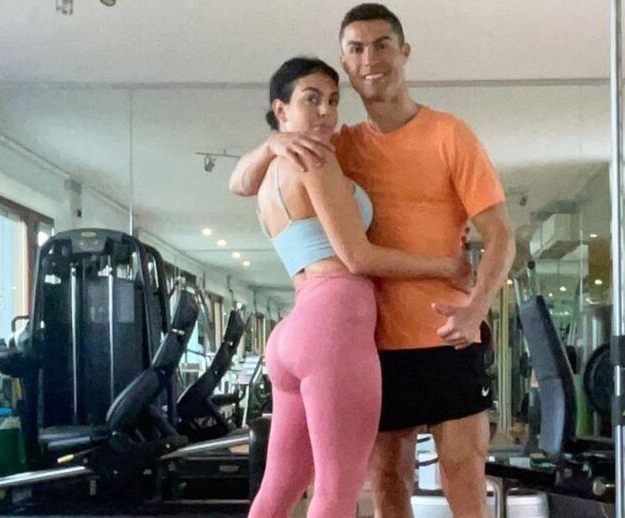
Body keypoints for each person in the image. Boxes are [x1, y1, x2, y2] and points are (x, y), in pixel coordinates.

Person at [231, 4, 515, 516]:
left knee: (463, 477)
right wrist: (272, 143)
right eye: (356, 48)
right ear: (345, 61)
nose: (369, 58)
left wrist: (476, 307)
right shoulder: (336, 146)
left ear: (403, 52)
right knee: (386, 483)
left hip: (445, 333)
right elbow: (241, 181)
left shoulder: (449, 133)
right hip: (373, 340)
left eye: (382, 44)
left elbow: (501, 237)